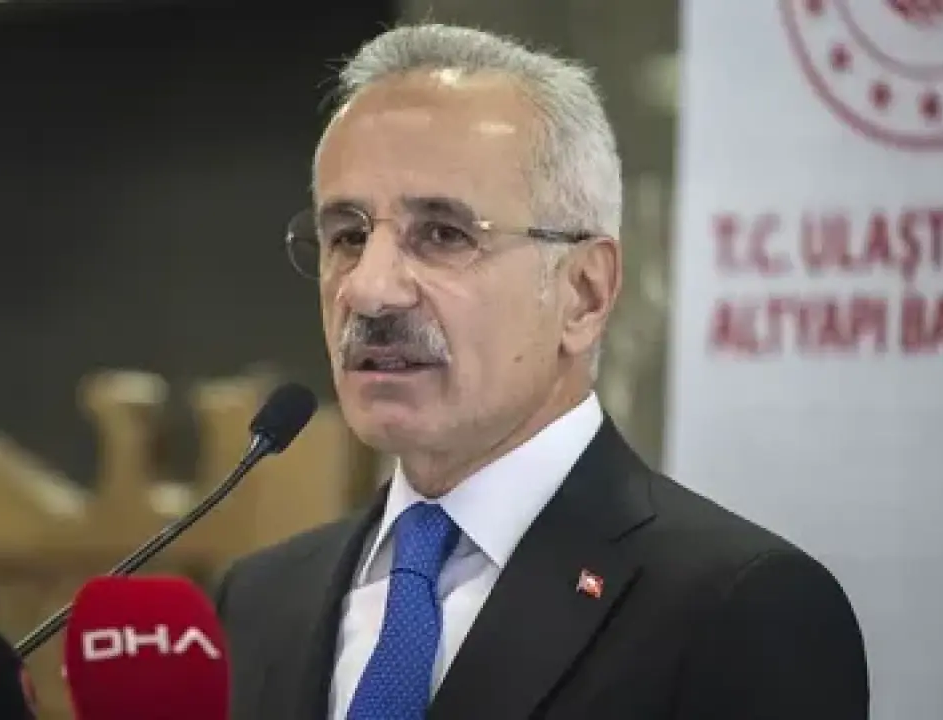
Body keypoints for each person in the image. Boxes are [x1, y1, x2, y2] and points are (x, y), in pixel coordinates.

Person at [214, 23, 869, 720]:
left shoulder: (741, 610)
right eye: (347, 236)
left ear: (584, 292)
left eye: (442, 234)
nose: (370, 290)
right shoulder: (255, 604)